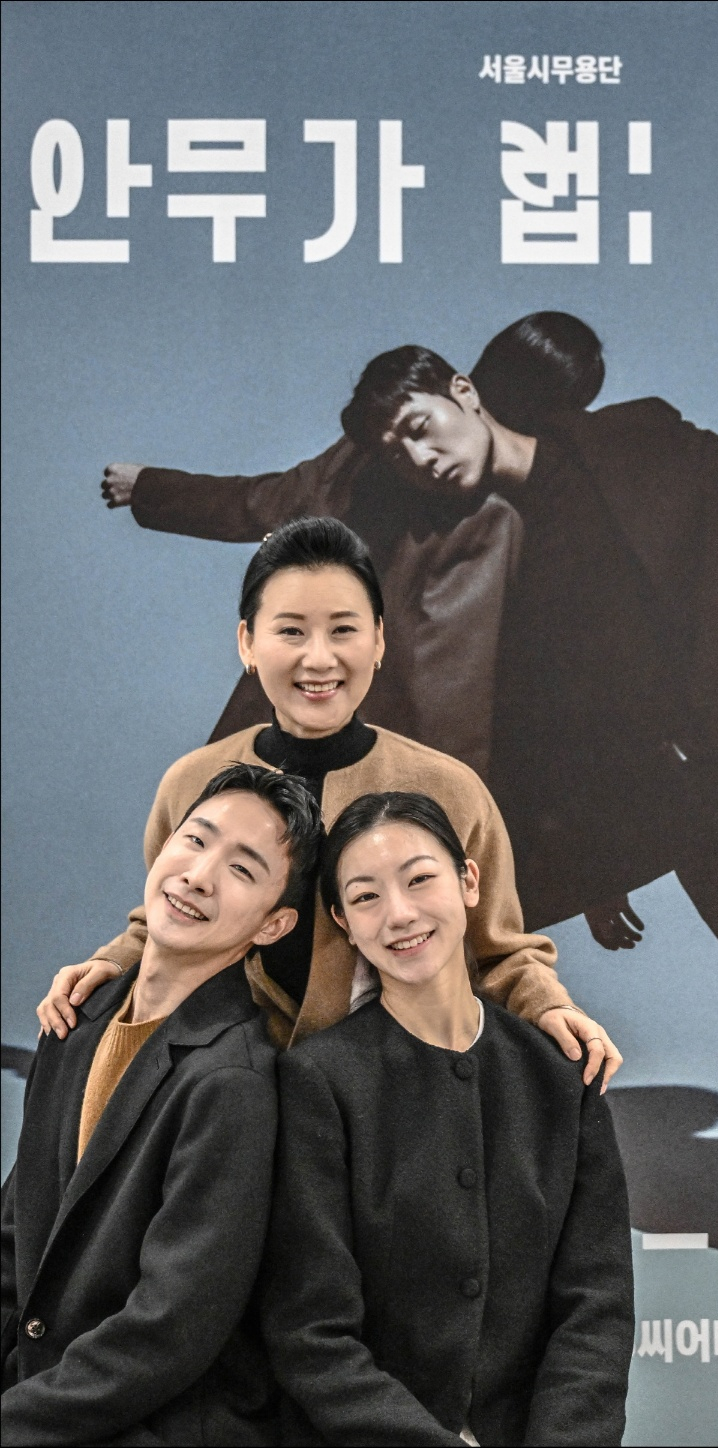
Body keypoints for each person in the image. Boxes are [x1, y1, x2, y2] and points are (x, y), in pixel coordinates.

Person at [334, 342, 718, 1397]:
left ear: (462, 393)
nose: (414, 456)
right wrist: (601, 861)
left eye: (415, 425)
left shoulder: (639, 445)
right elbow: (556, 710)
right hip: (678, 820)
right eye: (390, 450)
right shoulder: (482, 539)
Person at [96, 312, 629, 947]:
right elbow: (265, 500)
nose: (422, 459)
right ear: (467, 389)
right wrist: (152, 489)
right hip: (318, 738)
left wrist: (589, 865)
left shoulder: (542, 514)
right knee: (230, 914)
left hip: (435, 781)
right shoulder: (377, 456)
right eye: (404, 441)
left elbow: (551, 700)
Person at [36, 516, 620, 1084]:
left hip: (384, 1095)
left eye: (343, 629)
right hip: (219, 1088)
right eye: (291, 631)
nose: (319, 659)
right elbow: (168, 918)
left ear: (379, 641)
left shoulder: (449, 788)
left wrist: (548, 1007)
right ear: (248, 642)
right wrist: (109, 965)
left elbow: (499, 951)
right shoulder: (195, 781)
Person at [261, 790, 635, 1447]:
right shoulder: (317, 1082)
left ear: (467, 880)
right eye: (366, 896)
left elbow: (594, 1309)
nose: (398, 914)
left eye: (419, 879)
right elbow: (310, 1331)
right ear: (343, 921)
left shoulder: (557, 1075)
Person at [1, 763, 322, 1446]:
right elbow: (15, 1238)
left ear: (274, 923)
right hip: (39, 1399)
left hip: (151, 1424)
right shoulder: (75, 1021)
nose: (199, 876)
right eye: (195, 840)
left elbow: (169, 1326)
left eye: (242, 870)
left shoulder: (233, 1081)